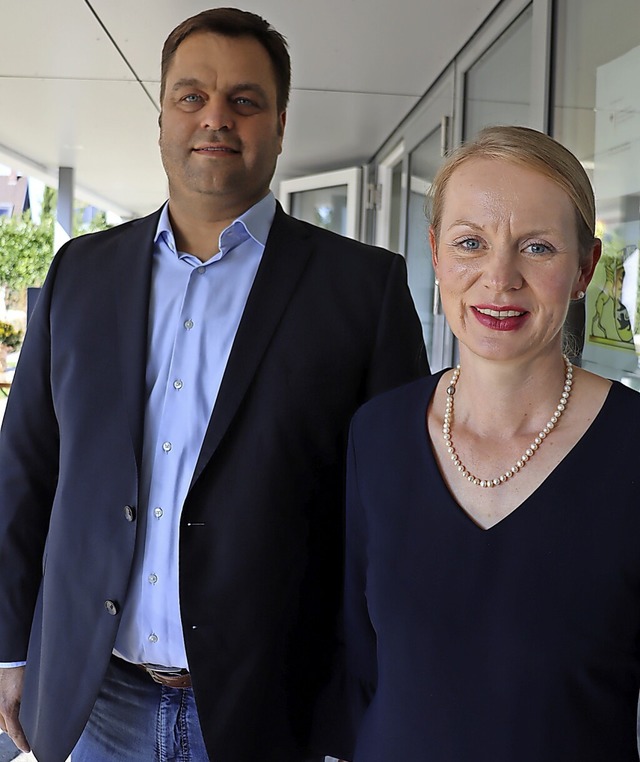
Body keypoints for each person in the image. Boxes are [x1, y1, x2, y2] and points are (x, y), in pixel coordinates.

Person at [0, 8, 428, 762]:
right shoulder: (79, 273)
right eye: (191, 96)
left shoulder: (364, 290)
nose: (215, 118)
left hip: (272, 708)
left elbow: (390, 521)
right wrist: (8, 649)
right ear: (161, 116)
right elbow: (24, 473)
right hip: (94, 700)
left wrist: (356, 705)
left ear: (281, 123)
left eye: (245, 100)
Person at [341, 125, 640, 761]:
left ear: (585, 267)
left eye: (537, 248)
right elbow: (360, 664)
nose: (499, 279)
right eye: (471, 243)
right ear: (437, 255)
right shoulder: (379, 433)